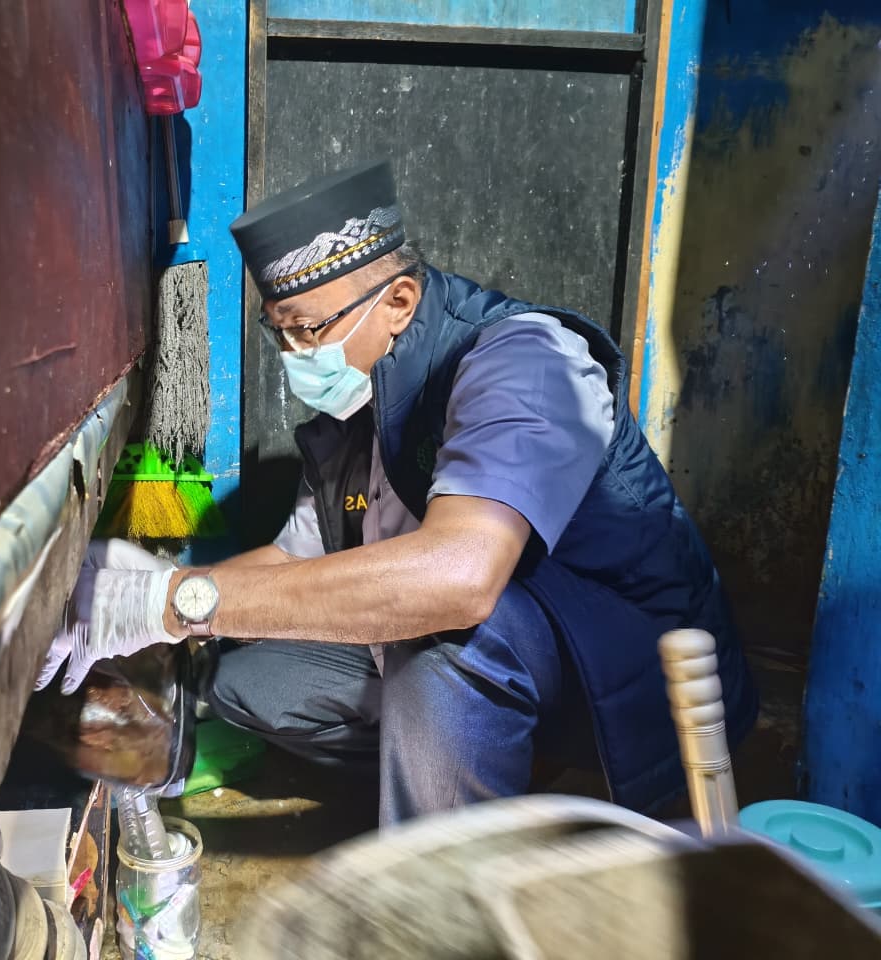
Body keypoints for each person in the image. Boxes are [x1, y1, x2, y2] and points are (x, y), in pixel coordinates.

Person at [37, 160, 757, 825]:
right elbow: (292, 563)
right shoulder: (352, 416)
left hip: (633, 669)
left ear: (400, 301)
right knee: (249, 679)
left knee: (440, 630)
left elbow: (462, 578)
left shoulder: (526, 360)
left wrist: (176, 601)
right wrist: (160, 598)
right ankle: (494, 771)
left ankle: (441, 887)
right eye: (279, 333)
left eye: (310, 330)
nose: (296, 357)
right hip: (507, 658)